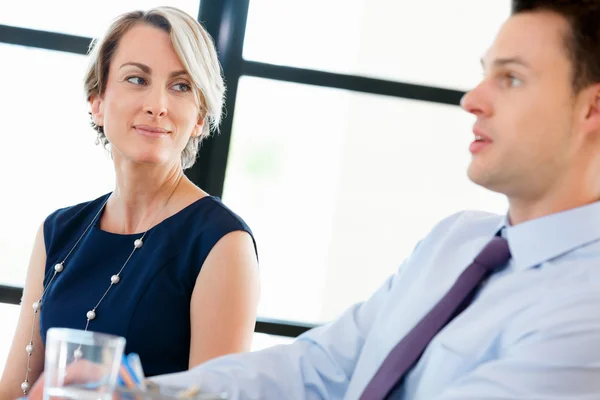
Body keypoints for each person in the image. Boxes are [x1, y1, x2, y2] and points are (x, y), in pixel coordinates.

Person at [28, 0, 600, 398]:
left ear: (591, 110)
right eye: (484, 74)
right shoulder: (458, 240)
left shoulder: (586, 311)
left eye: (513, 78)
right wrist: (142, 395)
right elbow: (321, 364)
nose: (473, 98)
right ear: (96, 100)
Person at [0, 6, 260, 400]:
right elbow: (12, 390)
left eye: (181, 86)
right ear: (98, 101)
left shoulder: (222, 243)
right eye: (136, 79)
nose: (157, 104)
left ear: (200, 117)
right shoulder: (57, 231)